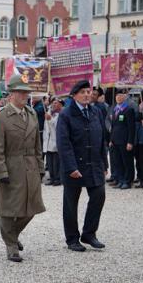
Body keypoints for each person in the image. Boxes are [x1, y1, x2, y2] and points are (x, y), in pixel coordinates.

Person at [0, 74, 46, 262]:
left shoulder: (31, 114)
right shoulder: (0, 117)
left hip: (30, 166)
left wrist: (40, 166)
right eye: (21, 92)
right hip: (11, 166)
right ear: (11, 94)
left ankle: (11, 236)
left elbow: (38, 144)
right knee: (9, 209)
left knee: (31, 207)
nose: (25, 96)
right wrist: (0, 171)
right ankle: (11, 246)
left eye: (27, 92)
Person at [56, 80, 108, 252]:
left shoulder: (96, 112)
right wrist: (71, 167)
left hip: (94, 164)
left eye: (89, 91)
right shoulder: (66, 114)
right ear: (74, 95)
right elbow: (64, 143)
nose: (87, 94)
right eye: (83, 92)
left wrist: (104, 163)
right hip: (74, 166)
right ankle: (72, 239)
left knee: (99, 195)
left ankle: (89, 233)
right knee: (71, 203)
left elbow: (102, 139)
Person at [109, 89, 135, 189]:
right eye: (117, 96)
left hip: (125, 141)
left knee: (127, 162)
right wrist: (111, 139)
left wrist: (130, 142)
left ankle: (128, 181)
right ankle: (121, 179)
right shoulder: (115, 109)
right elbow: (113, 126)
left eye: (121, 96)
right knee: (118, 162)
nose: (118, 97)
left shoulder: (128, 110)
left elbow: (131, 128)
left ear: (125, 97)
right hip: (115, 140)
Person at [43, 97, 63, 186]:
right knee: (50, 162)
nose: (54, 105)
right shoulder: (48, 113)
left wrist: (50, 119)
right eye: (53, 103)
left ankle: (57, 178)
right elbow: (46, 128)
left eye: (56, 103)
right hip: (48, 141)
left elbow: (56, 127)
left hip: (56, 141)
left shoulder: (61, 114)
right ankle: (51, 177)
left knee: (56, 162)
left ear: (60, 105)